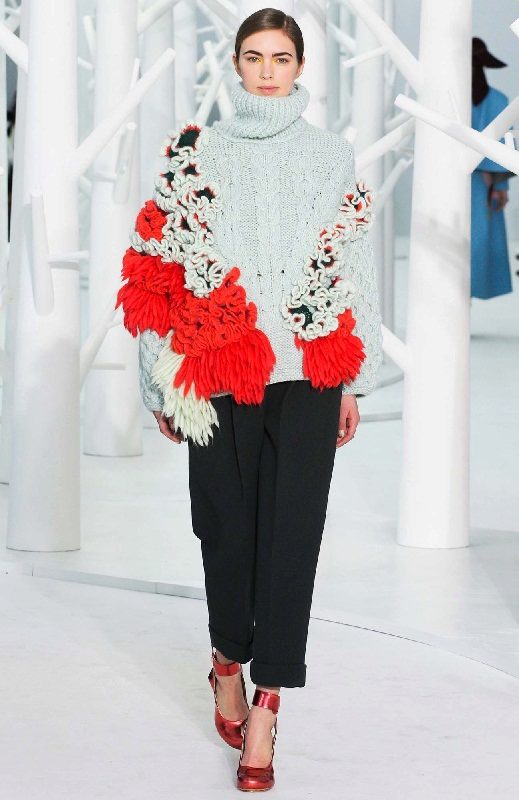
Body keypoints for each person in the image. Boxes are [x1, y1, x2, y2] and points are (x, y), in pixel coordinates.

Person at [116, 8, 383, 792]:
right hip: (217, 368)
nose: (268, 71)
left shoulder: (329, 155)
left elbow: (351, 267)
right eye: (255, 57)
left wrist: (351, 378)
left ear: (300, 67)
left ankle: (267, 707)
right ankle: (226, 659)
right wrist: (158, 379)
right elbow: (159, 266)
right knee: (225, 531)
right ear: (234, 65)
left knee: (293, 539)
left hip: (307, 370)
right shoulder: (195, 153)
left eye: (281, 58)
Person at [471, 36, 513, 300]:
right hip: (475, 182)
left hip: (482, 185)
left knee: (477, 244)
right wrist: (499, 183)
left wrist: (500, 184)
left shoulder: (497, 100)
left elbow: (505, 146)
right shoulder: (497, 99)